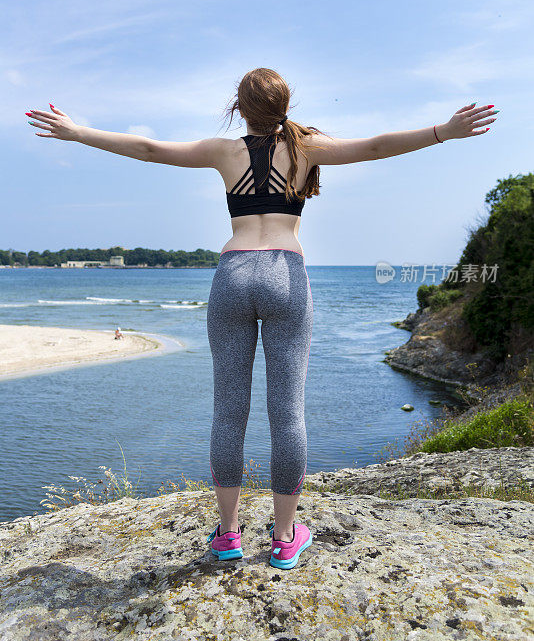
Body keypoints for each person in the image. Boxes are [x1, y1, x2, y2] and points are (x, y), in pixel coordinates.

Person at [25, 70, 498, 569]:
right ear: (285, 103)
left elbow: (147, 148)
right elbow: (377, 147)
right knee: (286, 413)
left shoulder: (223, 152)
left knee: (229, 411)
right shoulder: (305, 148)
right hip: (285, 273)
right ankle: (284, 536)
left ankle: (229, 535)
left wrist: (78, 133)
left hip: (232, 273)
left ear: (239, 107)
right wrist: (443, 132)